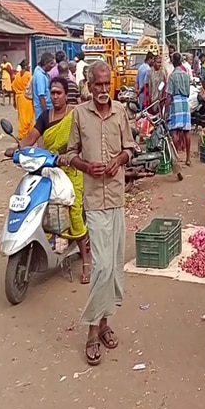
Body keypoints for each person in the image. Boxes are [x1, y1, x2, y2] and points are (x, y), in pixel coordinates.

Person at [66, 61, 135, 366]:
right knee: (102, 266)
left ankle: (105, 323)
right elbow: (69, 154)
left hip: (117, 197)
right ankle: (92, 332)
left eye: (107, 85)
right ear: (89, 86)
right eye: (98, 85)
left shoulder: (121, 112)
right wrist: (85, 166)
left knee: (115, 267)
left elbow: (130, 149)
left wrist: (119, 161)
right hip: (94, 199)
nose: (103, 90)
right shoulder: (79, 114)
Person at [6, 77, 92, 284]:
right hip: (49, 166)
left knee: (73, 208)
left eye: (58, 93)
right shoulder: (45, 116)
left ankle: (86, 260)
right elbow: (31, 138)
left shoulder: (75, 114)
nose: (55, 97)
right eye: (52, 93)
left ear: (65, 95)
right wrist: (17, 149)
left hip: (72, 168)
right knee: (34, 200)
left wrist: (73, 157)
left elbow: (84, 140)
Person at [166, 52, 192, 166]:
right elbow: (189, 92)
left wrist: (166, 110)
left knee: (174, 131)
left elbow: (169, 95)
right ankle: (188, 158)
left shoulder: (171, 76)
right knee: (186, 131)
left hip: (175, 103)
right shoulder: (186, 75)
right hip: (185, 102)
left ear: (173, 62)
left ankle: (176, 158)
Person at [12, 59, 35, 140]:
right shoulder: (28, 75)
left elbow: (13, 88)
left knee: (21, 117)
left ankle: (23, 134)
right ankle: (25, 135)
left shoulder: (17, 75)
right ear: (25, 66)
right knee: (28, 118)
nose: (29, 66)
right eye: (28, 65)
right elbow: (32, 87)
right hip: (26, 98)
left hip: (19, 98)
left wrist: (14, 101)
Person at [33, 52, 56, 118]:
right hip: (42, 111)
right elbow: (41, 97)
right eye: (51, 63)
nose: (52, 66)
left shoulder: (39, 71)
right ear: (45, 63)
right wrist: (46, 114)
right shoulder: (40, 76)